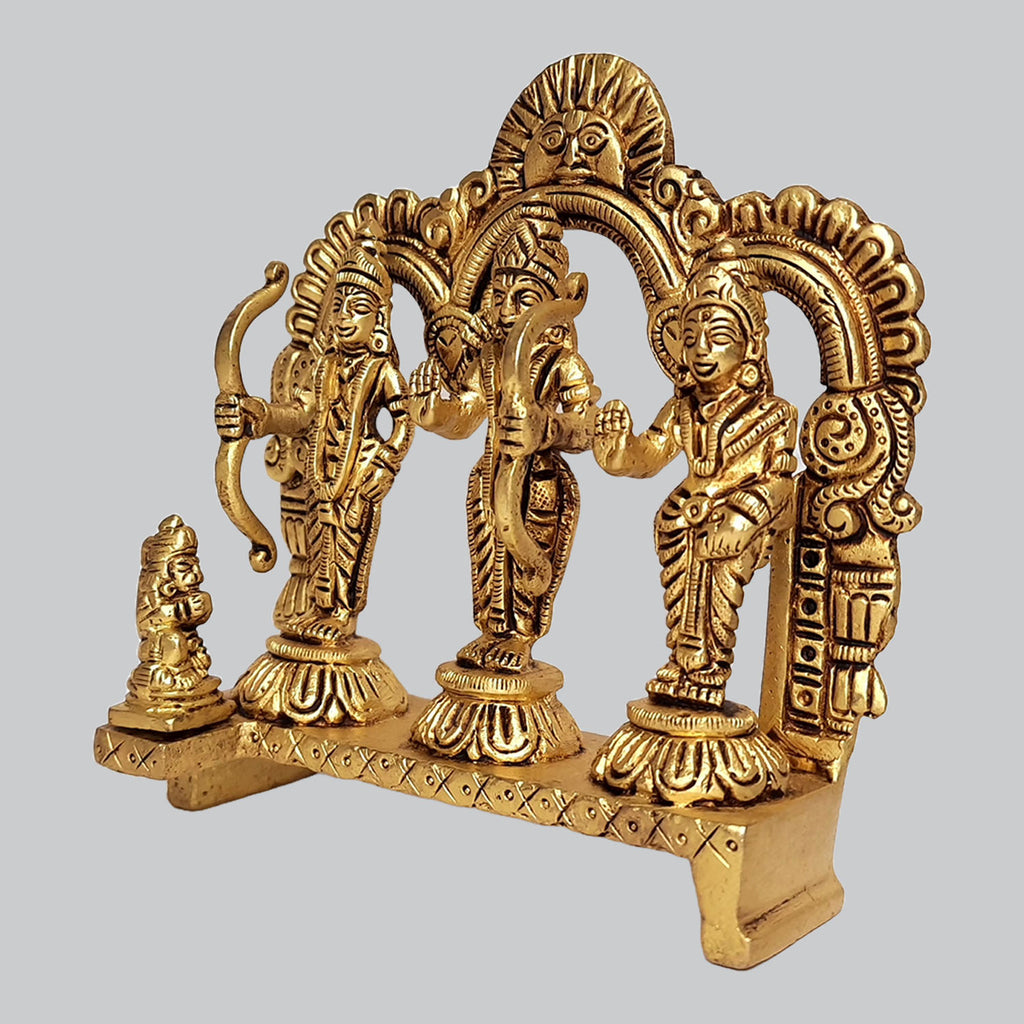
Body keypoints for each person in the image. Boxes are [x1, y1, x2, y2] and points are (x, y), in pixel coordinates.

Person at [593, 260, 797, 709]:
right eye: (690, 338)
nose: (702, 349)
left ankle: (710, 668)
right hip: (680, 519)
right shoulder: (681, 409)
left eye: (718, 336)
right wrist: (618, 452)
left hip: (736, 520)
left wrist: (746, 516)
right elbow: (650, 453)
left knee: (720, 592)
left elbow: (781, 485)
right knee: (681, 594)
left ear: (750, 345)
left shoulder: (774, 415)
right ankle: (683, 662)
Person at [409, 204, 596, 673]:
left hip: (540, 483)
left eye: (524, 298)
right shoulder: (489, 360)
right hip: (488, 477)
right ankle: (493, 631)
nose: (509, 309)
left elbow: (587, 427)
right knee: (488, 556)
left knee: (529, 563)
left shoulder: (562, 364)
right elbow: (468, 412)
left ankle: (521, 636)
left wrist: (546, 428)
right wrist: (433, 412)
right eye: (500, 295)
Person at [215, 232, 411, 644]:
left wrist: (385, 463)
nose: (344, 316)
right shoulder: (323, 369)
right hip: (320, 474)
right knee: (323, 541)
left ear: (379, 320)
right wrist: (261, 415)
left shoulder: (382, 372)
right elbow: (301, 414)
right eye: (338, 306)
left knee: (350, 544)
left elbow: (403, 421)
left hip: (358, 475)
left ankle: (343, 613)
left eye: (358, 308)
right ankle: (322, 608)